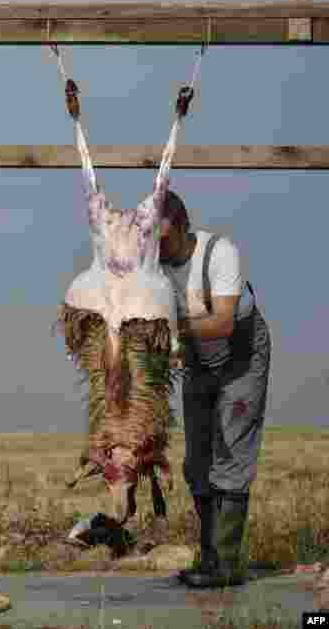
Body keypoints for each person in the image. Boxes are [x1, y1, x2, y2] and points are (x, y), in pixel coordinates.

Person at [158, 190, 272, 588]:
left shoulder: (219, 253)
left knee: (230, 456)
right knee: (196, 464)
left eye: (163, 238)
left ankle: (226, 564)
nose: (157, 247)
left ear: (183, 228)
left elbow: (223, 323)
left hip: (240, 357)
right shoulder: (154, 267)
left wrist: (174, 331)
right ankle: (208, 560)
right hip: (198, 362)